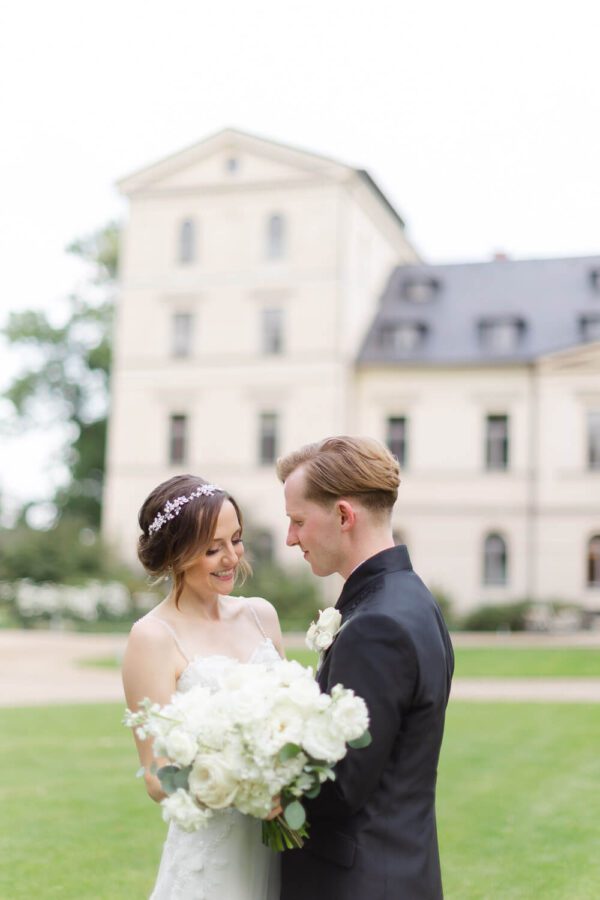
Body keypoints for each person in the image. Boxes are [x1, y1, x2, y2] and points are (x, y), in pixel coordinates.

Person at [277, 436, 454, 900]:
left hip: (359, 883)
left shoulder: (376, 624)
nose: (290, 538)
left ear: (342, 515)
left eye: (297, 521)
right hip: (399, 869)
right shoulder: (412, 599)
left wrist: (252, 772)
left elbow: (339, 789)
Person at [122, 474, 284, 900]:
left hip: (280, 841)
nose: (231, 558)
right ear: (177, 555)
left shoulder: (261, 616)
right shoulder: (152, 637)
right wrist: (242, 784)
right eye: (213, 548)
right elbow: (157, 777)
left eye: (236, 540)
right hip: (212, 854)